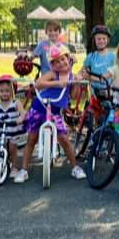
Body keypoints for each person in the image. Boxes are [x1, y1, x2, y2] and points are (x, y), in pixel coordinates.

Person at [17, 44, 87, 183]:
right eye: (57, 62)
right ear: (53, 65)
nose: (61, 63)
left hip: (55, 111)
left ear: (68, 59)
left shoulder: (72, 76)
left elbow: (73, 96)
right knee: (32, 139)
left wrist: (77, 83)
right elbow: (38, 83)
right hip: (39, 107)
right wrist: (57, 83)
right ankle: (24, 170)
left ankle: (75, 167)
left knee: (65, 140)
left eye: (63, 59)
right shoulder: (53, 74)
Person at [0, 75, 26, 181]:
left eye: (7, 91)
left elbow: (23, 114)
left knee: (12, 148)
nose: (4, 93)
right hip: (1, 129)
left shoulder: (16, 103)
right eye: (1, 91)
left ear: (12, 91)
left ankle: (14, 167)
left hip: (12, 129)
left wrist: (20, 119)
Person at [79, 25, 115, 100]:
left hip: (109, 92)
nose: (101, 41)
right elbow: (82, 70)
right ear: (94, 40)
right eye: (98, 39)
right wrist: (79, 75)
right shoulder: (91, 56)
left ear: (108, 40)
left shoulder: (112, 56)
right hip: (94, 93)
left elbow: (115, 74)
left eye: (104, 38)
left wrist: (89, 77)